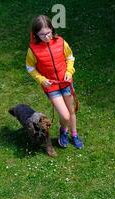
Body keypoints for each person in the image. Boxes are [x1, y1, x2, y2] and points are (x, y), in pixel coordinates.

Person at [26, 15, 83, 149]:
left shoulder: (61, 42)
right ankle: (63, 130)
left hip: (65, 83)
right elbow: (30, 68)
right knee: (65, 115)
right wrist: (41, 79)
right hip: (51, 87)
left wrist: (69, 72)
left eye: (48, 33)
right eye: (42, 34)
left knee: (71, 112)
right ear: (35, 34)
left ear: (52, 29)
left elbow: (70, 57)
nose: (46, 37)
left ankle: (73, 135)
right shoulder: (33, 50)